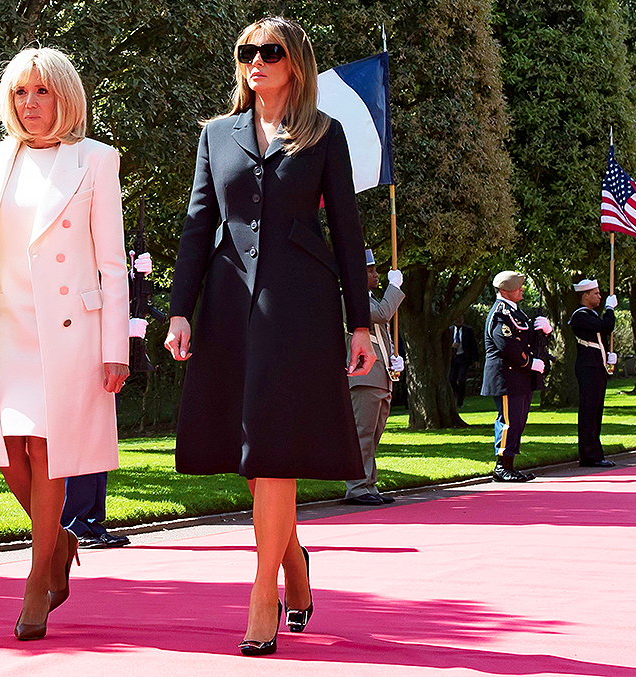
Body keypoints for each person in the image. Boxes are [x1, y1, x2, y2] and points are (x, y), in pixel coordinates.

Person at [164, 17, 374, 656]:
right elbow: (198, 224)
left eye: (270, 51)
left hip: (299, 306)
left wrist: (360, 323)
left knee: (274, 446)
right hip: (228, 302)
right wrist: (179, 310)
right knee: (250, 453)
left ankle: (263, 594)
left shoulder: (324, 134)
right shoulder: (215, 135)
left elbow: (347, 230)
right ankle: (295, 561)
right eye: (246, 51)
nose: (256, 60)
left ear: (295, 63)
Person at [0, 47, 128, 640]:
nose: (30, 103)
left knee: (47, 450)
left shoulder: (96, 159)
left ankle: (36, 578)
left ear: (65, 97)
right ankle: (61, 541)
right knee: (8, 455)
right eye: (20, 92)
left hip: (66, 330)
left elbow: (112, 261)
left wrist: (116, 347)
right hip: (6, 325)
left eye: (42, 91)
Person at [60, 251, 152, 549]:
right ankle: (73, 523)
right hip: (79, 349)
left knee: (97, 443)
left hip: (102, 357)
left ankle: (89, 521)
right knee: (81, 442)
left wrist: (135, 281)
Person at [344, 249, 405, 506]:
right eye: (371, 271)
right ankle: (357, 487)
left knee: (373, 436)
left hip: (380, 376)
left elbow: (380, 334)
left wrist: (394, 358)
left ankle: (369, 484)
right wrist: (394, 288)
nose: (376, 275)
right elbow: (381, 314)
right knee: (363, 435)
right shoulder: (352, 300)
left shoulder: (371, 299)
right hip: (364, 377)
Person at [480, 271, 551, 482]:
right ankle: (502, 467)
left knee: (518, 422)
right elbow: (507, 346)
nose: (521, 289)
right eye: (516, 287)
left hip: (520, 377)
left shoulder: (516, 312)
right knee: (509, 422)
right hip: (507, 377)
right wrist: (530, 363)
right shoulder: (500, 314)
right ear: (504, 290)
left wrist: (544, 331)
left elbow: (526, 341)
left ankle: (509, 465)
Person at [568, 279, 617, 468]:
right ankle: (589, 455)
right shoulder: (580, 315)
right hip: (588, 368)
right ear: (585, 295)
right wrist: (610, 309)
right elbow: (606, 326)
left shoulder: (590, 315)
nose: (599, 296)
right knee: (589, 412)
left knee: (596, 412)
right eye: (595, 293)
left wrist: (609, 359)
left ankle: (595, 454)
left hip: (596, 366)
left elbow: (600, 338)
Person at [448, 314, 479, 408]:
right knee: (451, 379)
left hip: (463, 358)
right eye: (456, 319)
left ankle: (460, 401)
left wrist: (476, 359)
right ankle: (457, 394)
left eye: (460, 319)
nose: (458, 321)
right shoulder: (449, 330)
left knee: (461, 380)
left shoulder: (468, 330)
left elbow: (473, 345)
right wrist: (452, 346)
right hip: (453, 358)